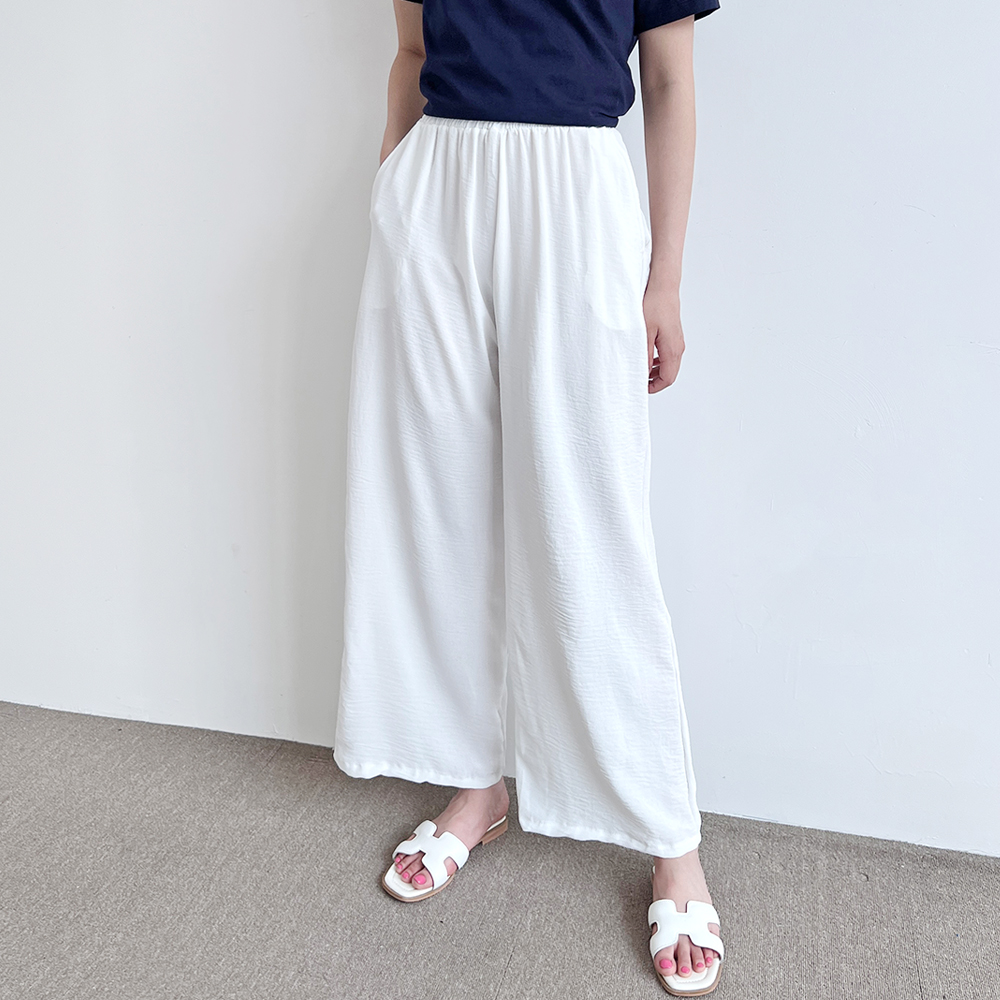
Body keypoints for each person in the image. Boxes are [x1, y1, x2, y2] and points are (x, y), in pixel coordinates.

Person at [334, 0, 724, 994]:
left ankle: (671, 839)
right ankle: (476, 782)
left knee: (593, 523)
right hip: (435, 193)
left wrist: (665, 279)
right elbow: (412, 51)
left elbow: (669, 80)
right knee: (437, 512)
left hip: (576, 193)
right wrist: (391, 194)